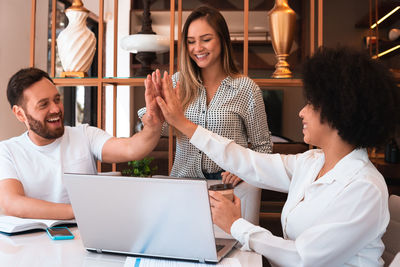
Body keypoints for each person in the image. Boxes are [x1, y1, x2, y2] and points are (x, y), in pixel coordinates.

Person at [152, 47, 400, 266]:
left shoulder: (364, 187)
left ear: (340, 111)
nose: (302, 112)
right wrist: (184, 125)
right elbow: (246, 161)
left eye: (311, 104)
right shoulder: (312, 163)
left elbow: (303, 258)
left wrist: (236, 225)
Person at [139, 6, 272, 224]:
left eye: (206, 39)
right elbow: (157, 126)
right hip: (184, 185)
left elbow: (263, 147)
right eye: (191, 41)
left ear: (222, 40)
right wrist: (151, 116)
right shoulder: (177, 83)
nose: (197, 48)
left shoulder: (245, 88)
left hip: (229, 190)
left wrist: (244, 170)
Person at [0, 67, 162, 220]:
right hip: (31, 243)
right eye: (44, 104)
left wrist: (153, 126)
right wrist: (80, 211)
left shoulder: (85, 135)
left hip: (83, 239)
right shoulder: (8, 151)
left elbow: (132, 149)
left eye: (57, 99)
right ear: (20, 114)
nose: (55, 109)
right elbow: (12, 203)